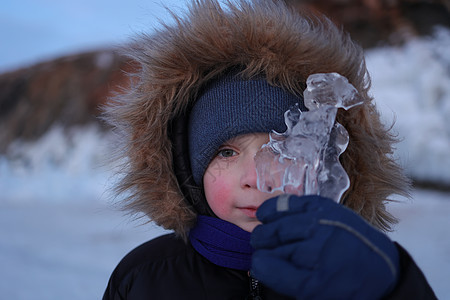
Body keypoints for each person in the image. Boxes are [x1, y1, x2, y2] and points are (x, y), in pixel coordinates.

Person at [102, 0, 437, 299]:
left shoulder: (352, 274)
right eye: (226, 153)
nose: (255, 179)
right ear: (189, 170)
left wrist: (393, 289)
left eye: (281, 150)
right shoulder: (144, 278)